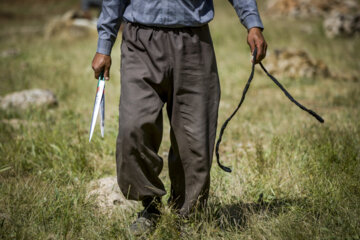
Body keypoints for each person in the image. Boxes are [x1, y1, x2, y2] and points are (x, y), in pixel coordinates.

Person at [91, 0, 267, 235]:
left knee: (194, 137)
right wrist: (104, 44)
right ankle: (150, 208)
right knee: (133, 127)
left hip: (194, 42)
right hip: (140, 41)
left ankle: (186, 216)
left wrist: (252, 24)